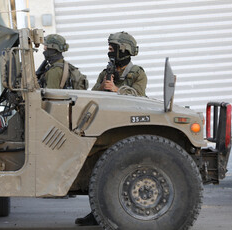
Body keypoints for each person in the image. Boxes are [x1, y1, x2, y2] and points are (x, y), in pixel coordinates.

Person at [75, 32, 147, 227]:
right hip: (105, 129)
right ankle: (97, 212)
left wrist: (117, 90)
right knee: (98, 172)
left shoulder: (137, 73)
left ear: (124, 50)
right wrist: (104, 87)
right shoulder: (105, 72)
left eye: (112, 48)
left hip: (128, 130)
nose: (110, 51)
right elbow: (91, 98)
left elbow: (140, 99)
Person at [92, 31, 147, 96]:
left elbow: (139, 97)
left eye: (111, 49)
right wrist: (102, 86)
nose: (109, 53)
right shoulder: (105, 74)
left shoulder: (137, 74)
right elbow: (92, 96)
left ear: (122, 50)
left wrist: (116, 90)